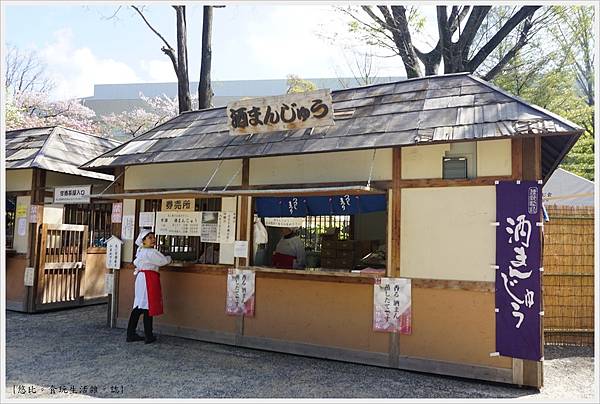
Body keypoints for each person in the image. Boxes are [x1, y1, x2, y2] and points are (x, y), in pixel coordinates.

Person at [126, 229, 172, 344]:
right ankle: (148, 335)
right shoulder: (151, 252)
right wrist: (170, 258)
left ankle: (132, 333)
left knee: (140, 306)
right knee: (147, 306)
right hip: (148, 279)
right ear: (144, 241)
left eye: (153, 237)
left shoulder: (140, 251)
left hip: (142, 278)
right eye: (149, 238)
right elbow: (163, 261)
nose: (153, 239)